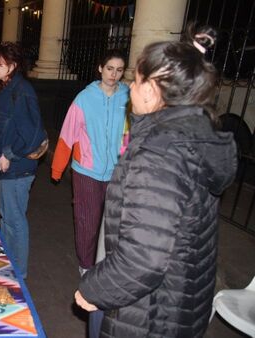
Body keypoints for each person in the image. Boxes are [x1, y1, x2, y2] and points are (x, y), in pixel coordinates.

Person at [74, 26, 237, 337]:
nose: (129, 89)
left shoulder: (159, 153)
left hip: (149, 314)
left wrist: (94, 288)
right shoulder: (195, 134)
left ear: (149, 90)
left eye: (134, 80)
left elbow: (142, 259)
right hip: (179, 302)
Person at [51, 50, 129, 276]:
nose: (114, 74)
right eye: (109, 68)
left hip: (117, 172)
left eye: (119, 70)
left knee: (114, 223)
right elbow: (68, 134)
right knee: (87, 221)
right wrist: (57, 169)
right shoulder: (84, 99)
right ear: (100, 69)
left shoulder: (128, 98)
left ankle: (109, 264)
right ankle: (86, 267)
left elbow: (130, 134)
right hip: (86, 171)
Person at [0, 42, 46, 280]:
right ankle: (8, 264)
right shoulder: (8, 88)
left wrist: (8, 153)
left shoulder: (21, 91)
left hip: (18, 169)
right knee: (8, 217)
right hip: (10, 168)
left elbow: (33, 135)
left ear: (12, 66)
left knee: (15, 220)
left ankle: (18, 272)